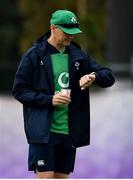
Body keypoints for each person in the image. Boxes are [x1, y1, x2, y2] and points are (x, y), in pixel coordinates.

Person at [12, 9, 115, 179]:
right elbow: (19, 90)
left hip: (68, 133)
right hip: (43, 133)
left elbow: (109, 76)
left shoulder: (78, 55)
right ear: (53, 28)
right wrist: (49, 100)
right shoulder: (34, 55)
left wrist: (93, 76)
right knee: (46, 177)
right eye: (67, 32)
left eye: (73, 32)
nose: (70, 36)